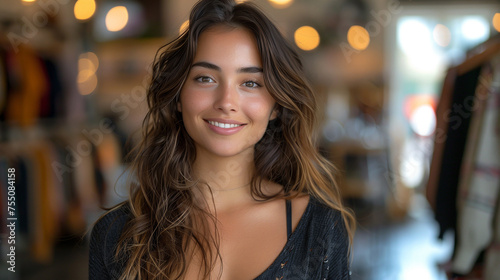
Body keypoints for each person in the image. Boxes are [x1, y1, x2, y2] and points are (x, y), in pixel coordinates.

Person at [89, 0, 355, 279]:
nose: (227, 102)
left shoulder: (320, 229)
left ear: (276, 105)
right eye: (205, 79)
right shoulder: (117, 234)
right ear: (179, 95)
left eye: (250, 83)